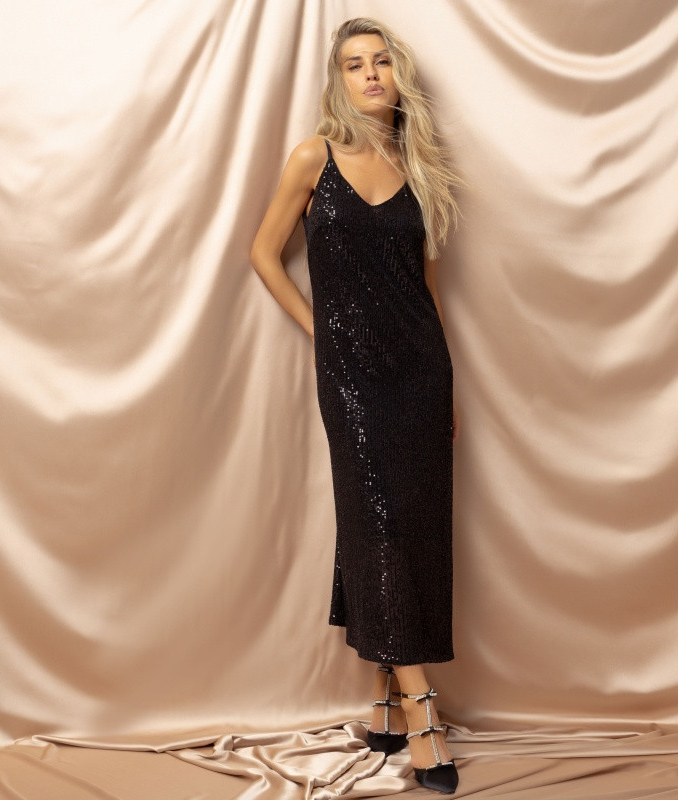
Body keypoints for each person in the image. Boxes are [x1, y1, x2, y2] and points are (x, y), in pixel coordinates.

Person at [250, 17, 461, 795]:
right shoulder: (314, 156)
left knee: (412, 530)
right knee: (377, 523)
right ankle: (424, 709)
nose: (370, 74)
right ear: (337, 80)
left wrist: (449, 383)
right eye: (353, 64)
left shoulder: (419, 166)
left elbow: (427, 289)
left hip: (421, 372)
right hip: (352, 378)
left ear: (397, 76)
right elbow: (263, 253)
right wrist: (320, 331)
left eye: (380, 62)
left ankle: (387, 707)